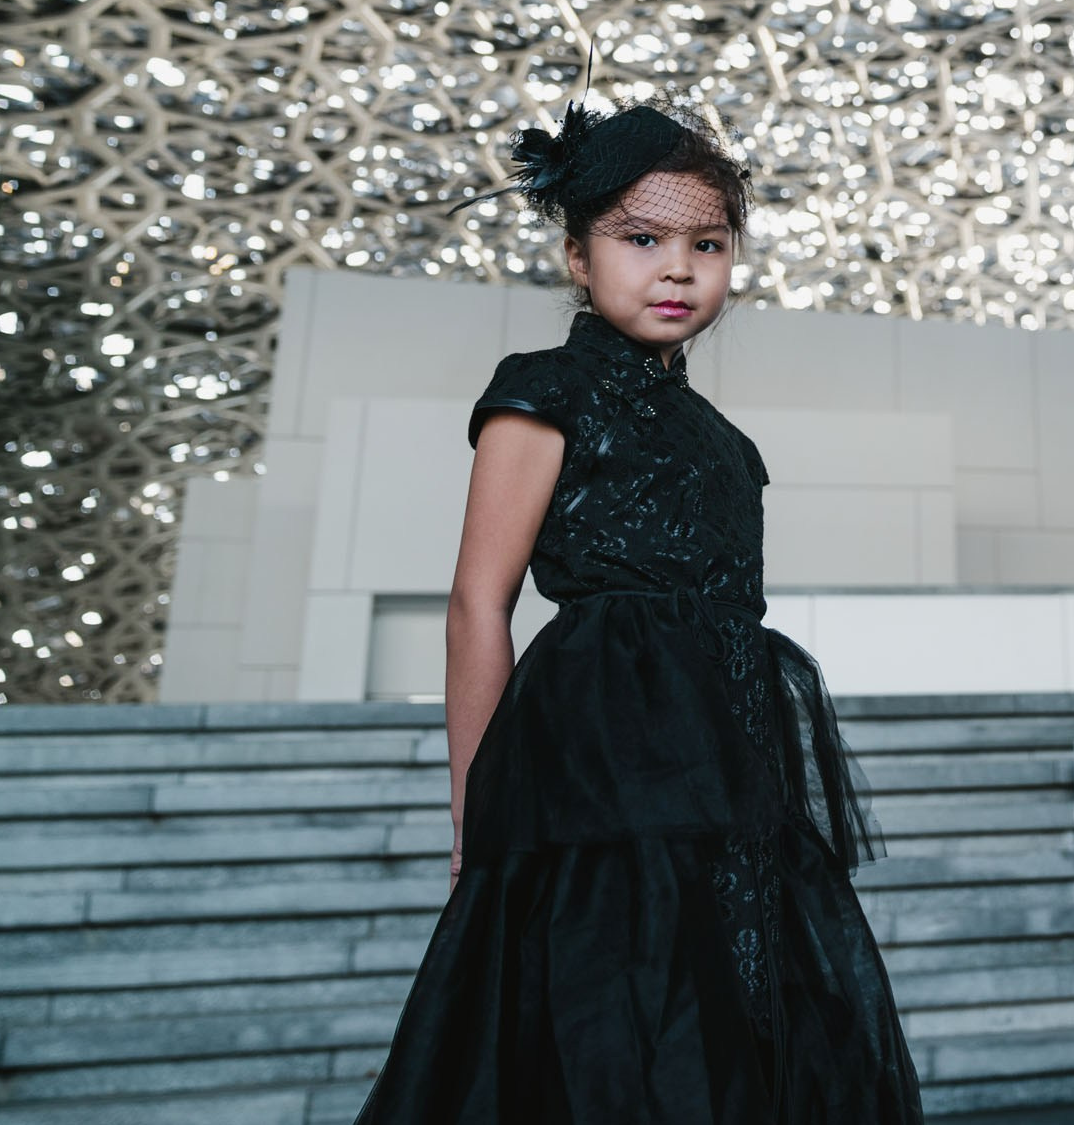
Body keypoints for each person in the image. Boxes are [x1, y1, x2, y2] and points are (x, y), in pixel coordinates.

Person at [356, 99, 924, 1123]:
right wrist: (475, 812)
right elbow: (479, 603)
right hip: (596, 762)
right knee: (616, 1034)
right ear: (578, 258)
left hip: (725, 760)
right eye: (641, 239)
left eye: (707, 244)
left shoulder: (725, 441)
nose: (678, 269)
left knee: (739, 1029)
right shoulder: (543, 393)